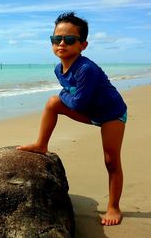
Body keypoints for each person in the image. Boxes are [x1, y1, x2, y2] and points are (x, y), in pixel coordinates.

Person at [17, 12, 127, 226]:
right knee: (52, 103)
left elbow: (77, 103)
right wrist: (63, 98)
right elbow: (72, 96)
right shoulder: (59, 68)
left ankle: (114, 206)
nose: (61, 44)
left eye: (69, 40)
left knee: (111, 161)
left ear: (83, 45)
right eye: (56, 39)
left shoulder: (87, 69)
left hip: (111, 114)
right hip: (91, 111)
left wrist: (63, 97)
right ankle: (41, 144)